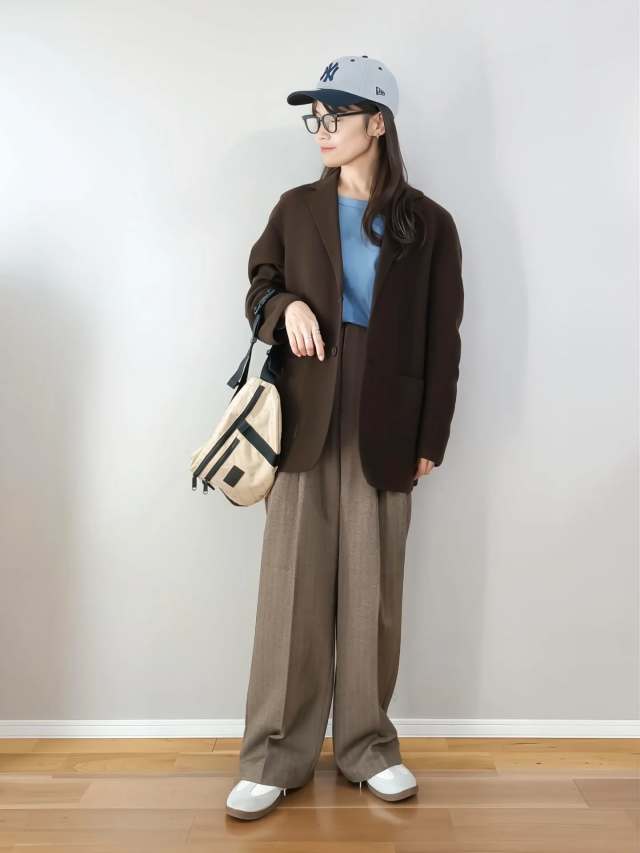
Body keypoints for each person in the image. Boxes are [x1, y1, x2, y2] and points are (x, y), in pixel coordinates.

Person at [226, 55, 464, 821]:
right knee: (291, 587)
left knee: (373, 591)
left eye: (337, 115)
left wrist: (432, 433)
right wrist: (286, 307)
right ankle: (274, 756)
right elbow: (258, 285)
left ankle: (368, 747)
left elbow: (443, 337)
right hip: (304, 407)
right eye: (316, 117)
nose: (322, 130)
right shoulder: (296, 209)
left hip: (388, 415)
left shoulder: (428, 224)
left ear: (378, 123)